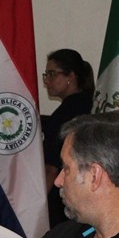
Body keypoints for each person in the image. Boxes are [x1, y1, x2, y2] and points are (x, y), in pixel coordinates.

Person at [40, 49, 95, 227]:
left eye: (52, 74)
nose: (47, 80)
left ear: (70, 76)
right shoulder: (89, 105)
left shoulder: (66, 113)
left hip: (61, 197)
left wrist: (38, 209)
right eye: (46, 74)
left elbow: (51, 167)